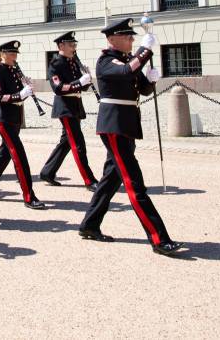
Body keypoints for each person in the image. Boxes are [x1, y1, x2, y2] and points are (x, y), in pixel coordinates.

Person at [79, 18, 184, 256]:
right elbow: (126, 72)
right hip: (114, 126)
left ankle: (89, 224)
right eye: (127, 37)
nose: (131, 40)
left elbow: (141, 88)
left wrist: (151, 78)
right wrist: (145, 50)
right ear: (113, 38)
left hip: (126, 125)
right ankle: (159, 238)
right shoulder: (106, 61)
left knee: (111, 179)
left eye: (132, 37)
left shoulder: (127, 59)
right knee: (134, 184)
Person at [0, 41, 47, 210]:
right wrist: (19, 94)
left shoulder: (14, 70)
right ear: (3, 54)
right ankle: (29, 196)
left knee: (5, 155)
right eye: (11, 53)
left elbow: (17, 94)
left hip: (15, 117)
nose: (15, 56)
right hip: (4, 118)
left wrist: (26, 89)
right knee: (19, 156)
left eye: (15, 53)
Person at [39, 32, 98, 190]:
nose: (74, 47)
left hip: (75, 105)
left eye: (74, 45)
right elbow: (58, 88)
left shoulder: (73, 62)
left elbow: (81, 86)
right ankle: (89, 180)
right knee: (78, 144)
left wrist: (86, 79)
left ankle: (47, 172)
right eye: (71, 45)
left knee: (65, 143)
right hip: (65, 107)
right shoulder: (55, 64)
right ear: (61, 46)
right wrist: (78, 82)